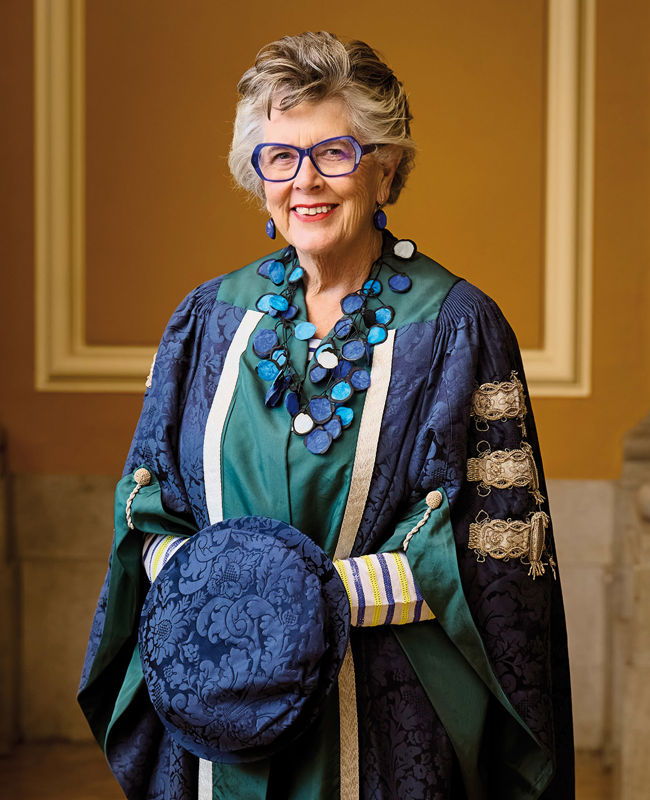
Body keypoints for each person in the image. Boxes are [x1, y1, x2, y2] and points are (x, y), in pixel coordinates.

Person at [79, 31, 574, 800]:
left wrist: (310, 601)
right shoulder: (209, 321)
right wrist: (235, 601)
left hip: (380, 716)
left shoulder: (453, 327)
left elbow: (490, 559)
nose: (304, 181)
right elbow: (148, 510)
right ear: (259, 178)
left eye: (334, 153)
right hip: (225, 716)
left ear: (387, 169)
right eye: (279, 157)